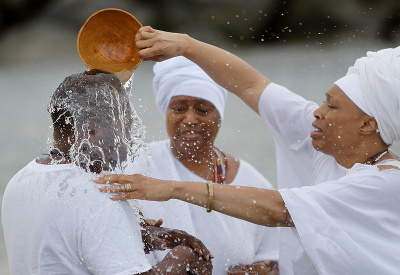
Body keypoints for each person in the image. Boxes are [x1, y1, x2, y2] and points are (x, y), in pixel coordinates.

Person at [95, 26, 400, 274]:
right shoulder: (319, 136)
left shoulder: (385, 183)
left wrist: (171, 188)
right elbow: (250, 85)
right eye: (323, 100)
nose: (317, 112)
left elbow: (279, 210)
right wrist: (185, 45)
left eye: (331, 106)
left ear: (366, 125)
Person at [2, 70, 213, 274]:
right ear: (91, 128)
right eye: (126, 126)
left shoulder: (20, 181)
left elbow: (64, 247)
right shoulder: (99, 196)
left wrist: (139, 235)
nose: (129, 140)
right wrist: (182, 260)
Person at [125, 56, 279, 274]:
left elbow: (279, 257)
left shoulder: (251, 181)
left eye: (203, 110)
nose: (190, 119)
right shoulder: (136, 166)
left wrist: (262, 270)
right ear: (166, 112)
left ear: (219, 115)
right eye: (179, 109)